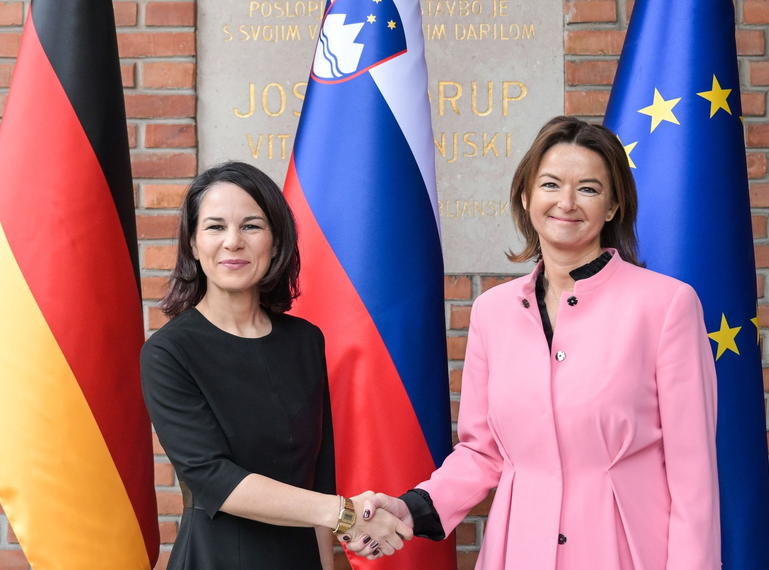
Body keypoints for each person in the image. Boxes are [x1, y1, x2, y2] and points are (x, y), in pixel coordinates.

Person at [354, 116, 721, 569]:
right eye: (550, 184)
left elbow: (693, 476)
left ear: (612, 206)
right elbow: (481, 452)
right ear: (526, 197)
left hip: (627, 550)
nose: (566, 202)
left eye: (588, 188)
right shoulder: (492, 312)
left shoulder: (667, 305)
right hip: (520, 550)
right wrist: (411, 507)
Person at [140, 161, 411, 569]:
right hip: (215, 558)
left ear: (275, 239)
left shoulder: (304, 340)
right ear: (193, 245)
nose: (233, 242)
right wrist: (347, 514)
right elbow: (216, 479)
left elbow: (319, 477)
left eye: (251, 226)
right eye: (215, 227)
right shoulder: (168, 353)